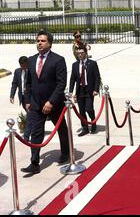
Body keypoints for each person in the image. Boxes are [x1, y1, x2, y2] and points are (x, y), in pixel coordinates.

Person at [21, 30, 70, 175]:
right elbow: (28, 83)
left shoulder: (58, 60)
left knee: (61, 129)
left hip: (54, 104)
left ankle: (66, 153)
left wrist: (51, 101)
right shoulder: (31, 60)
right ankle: (34, 163)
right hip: (36, 104)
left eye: (42, 41)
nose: (39, 43)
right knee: (36, 133)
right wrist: (28, 100)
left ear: (50, 43)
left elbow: (61, 84)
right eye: (38, 41)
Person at [69, 45, 101, 137]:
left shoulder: (92, 63)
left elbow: (97, 77)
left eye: (82, 53)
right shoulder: (75, 65)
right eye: (78, 53)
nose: (80, 55)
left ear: (86, 54)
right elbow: (72, 79)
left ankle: (93, 121)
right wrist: (71, 91)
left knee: (89, 108)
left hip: (89, 90)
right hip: (80, 90)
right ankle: (85, 128)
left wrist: (96, 89)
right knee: (81, 111)